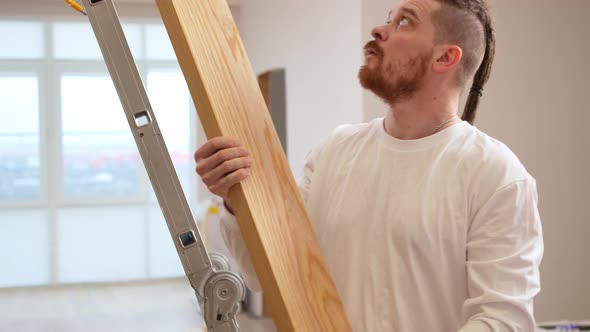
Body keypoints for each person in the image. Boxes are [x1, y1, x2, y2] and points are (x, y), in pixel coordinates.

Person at [194, 0, 544, 330]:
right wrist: (234, 199)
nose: (379, 29)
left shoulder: (496, 175)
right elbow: (264, 274)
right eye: (389, 17)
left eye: (404, 21)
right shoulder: (334, 151)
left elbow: (501, 320)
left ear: (445, 57)